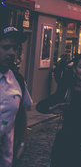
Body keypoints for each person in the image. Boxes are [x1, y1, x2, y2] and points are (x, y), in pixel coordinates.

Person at [36, 54, 81, 167]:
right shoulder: (67, 88)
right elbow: (40, 106)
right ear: (74, 69)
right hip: (64, 141)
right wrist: (52, 109)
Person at [0, 26, 32, 167]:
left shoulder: (17, 80)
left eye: (15, 48)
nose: (11, 53)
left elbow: (21, 115)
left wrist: (23, 141)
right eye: (6, 47)